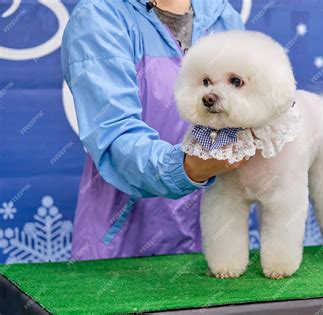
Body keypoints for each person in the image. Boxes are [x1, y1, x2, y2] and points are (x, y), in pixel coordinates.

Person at [61, 0, 246, 260]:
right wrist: (187, 166)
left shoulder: (222, 16)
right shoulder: (100, 15)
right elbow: (115, 136)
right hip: (123, 251)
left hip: (212, 247)